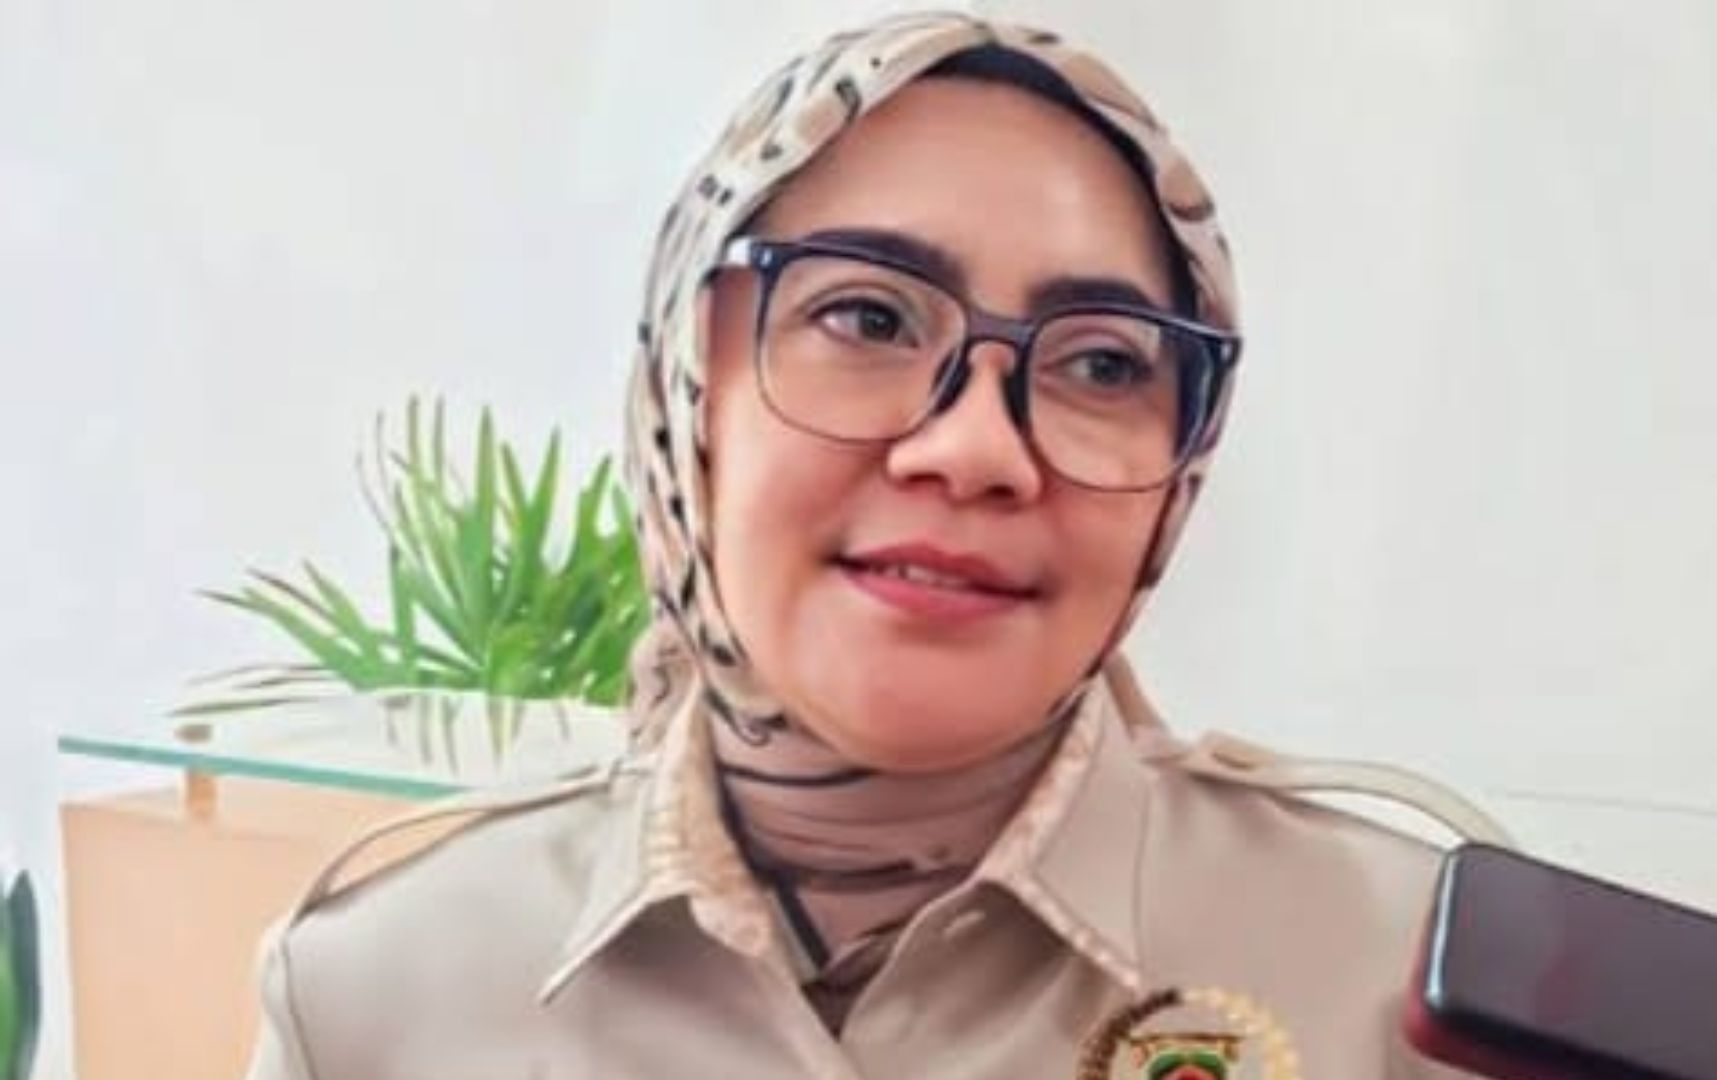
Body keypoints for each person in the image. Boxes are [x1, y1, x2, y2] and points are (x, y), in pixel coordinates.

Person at [245, 11, 1508, 1079]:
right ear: (689, 390)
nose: (977, 448)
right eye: (866, 317)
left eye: (1102, 364)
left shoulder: (1408, 986)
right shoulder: (378, 995)